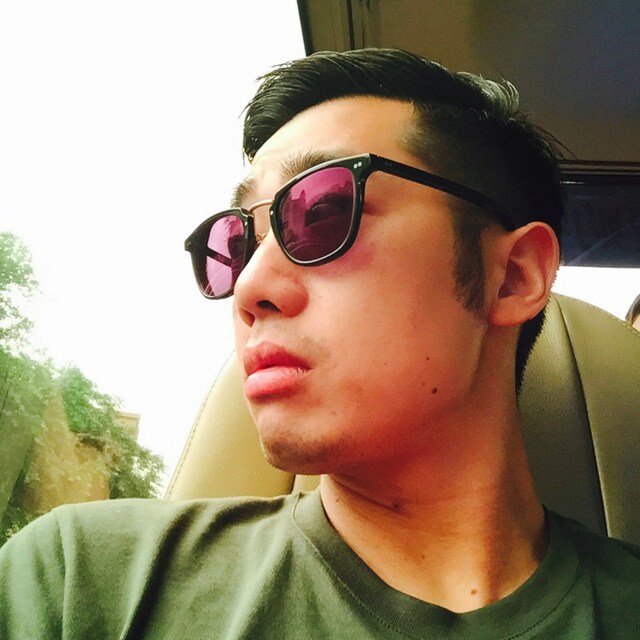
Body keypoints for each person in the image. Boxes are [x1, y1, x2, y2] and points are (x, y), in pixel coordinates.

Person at [2, 48, 640, 638]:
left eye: (322, 211)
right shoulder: (81, 580)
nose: (249, 286)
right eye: (237, 243)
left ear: (513, 276)